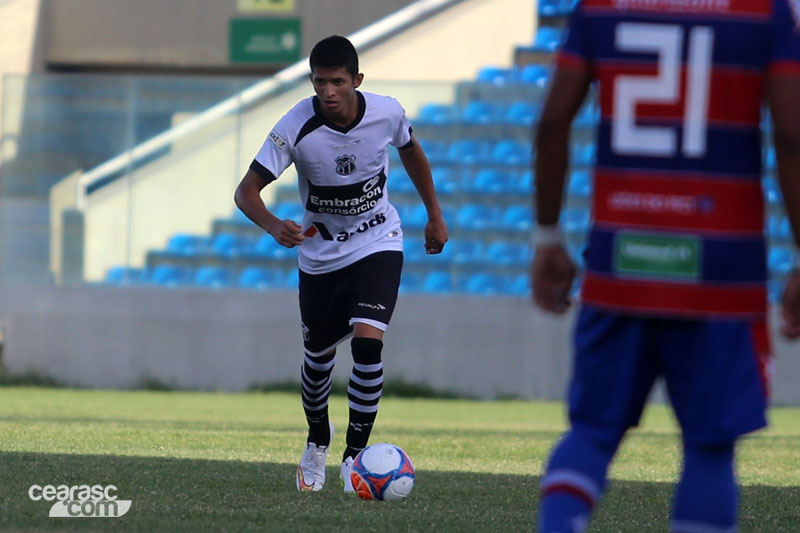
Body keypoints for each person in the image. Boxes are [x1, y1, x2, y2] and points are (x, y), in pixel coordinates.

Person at [531, 0, 800, 531]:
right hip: (722, 266)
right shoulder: (762, 10)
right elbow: (792, 135)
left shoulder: (599, 6)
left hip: (621, 258)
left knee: (592, 431)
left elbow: (554, 120)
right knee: (709, 445)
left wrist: (547, 235)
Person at [234, 35, 448, 493]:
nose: (328, 92)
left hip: (378, 241)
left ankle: (355, 457)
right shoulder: (294, 127)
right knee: (318, 362)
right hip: (321, 257)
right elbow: (246, 191)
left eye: (337, 82)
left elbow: (411, 150)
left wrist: (434, 214)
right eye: (319, 83)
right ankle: (318, 439)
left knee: (368, 346)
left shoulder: (387, 112)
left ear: (357, 80)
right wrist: (273, 226)